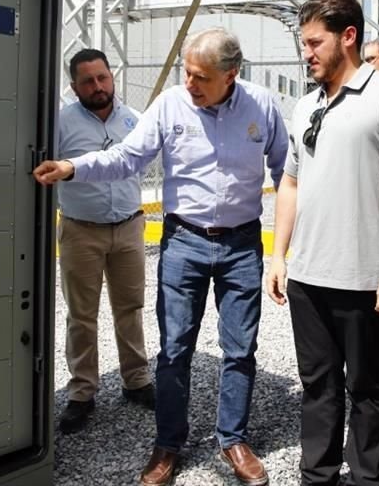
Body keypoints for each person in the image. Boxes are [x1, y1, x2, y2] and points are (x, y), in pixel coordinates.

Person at [34, 28, 287, 486]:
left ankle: (233, 439)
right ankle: (168, 443)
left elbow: (286, 173)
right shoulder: (171, 105)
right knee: (174, 350)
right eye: (186, 73)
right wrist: (73, 167)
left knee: (240, 348)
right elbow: (127, 157)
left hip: (241, 245)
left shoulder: (262, 106)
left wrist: (289, 246)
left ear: (230, 75)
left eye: (200, 77)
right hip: (184, 243)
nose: (189, 83)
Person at [266, 0, 379, 486]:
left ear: (348, 36)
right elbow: (291, 183)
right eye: (303, 43)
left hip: (365, 278)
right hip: (307, 278)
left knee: (366, 389)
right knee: (317, 387)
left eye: (314, 43)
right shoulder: (305, 106)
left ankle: (367, 477)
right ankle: (317, 476)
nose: (306, 53)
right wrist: (278, 256)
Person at [55, 49, 154, 434]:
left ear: (112, 77)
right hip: (81, 231)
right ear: (74, 86)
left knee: (130, 307)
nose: (97, 87)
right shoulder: (60, 124)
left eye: (102, 78)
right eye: (88, 81)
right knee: (82, 314)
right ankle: (82, 391)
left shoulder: (134, 120)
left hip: (129, 227)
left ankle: (136, 379)